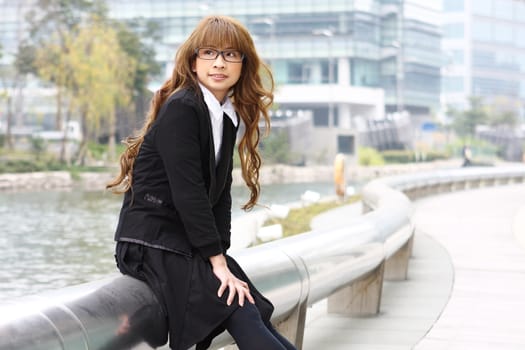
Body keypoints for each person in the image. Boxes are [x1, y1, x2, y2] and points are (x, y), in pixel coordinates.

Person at [107, 15, 297, 350]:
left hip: (186, 243)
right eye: (209, 53)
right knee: (238, 306)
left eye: (230, 54)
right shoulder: (183, 106)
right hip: (151, 243)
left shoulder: (225, 116)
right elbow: (189, 192)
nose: (219, 63)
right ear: (193, 62)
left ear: (243, 65)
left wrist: (220, 254)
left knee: (250, 309)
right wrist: (217, 264)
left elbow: (220, 196)